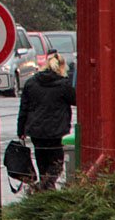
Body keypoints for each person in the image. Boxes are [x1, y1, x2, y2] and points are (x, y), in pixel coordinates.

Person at [17, 49, 76, 190]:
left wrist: (21, 130)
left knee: (42, 164)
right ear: (61, 67)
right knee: (57, 164)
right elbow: (76, 100)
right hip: (55, 132)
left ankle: (44, 192)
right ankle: (45, 187)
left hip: (36, 131)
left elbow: (23, 108)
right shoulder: (64, 85)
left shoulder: (31, 83)